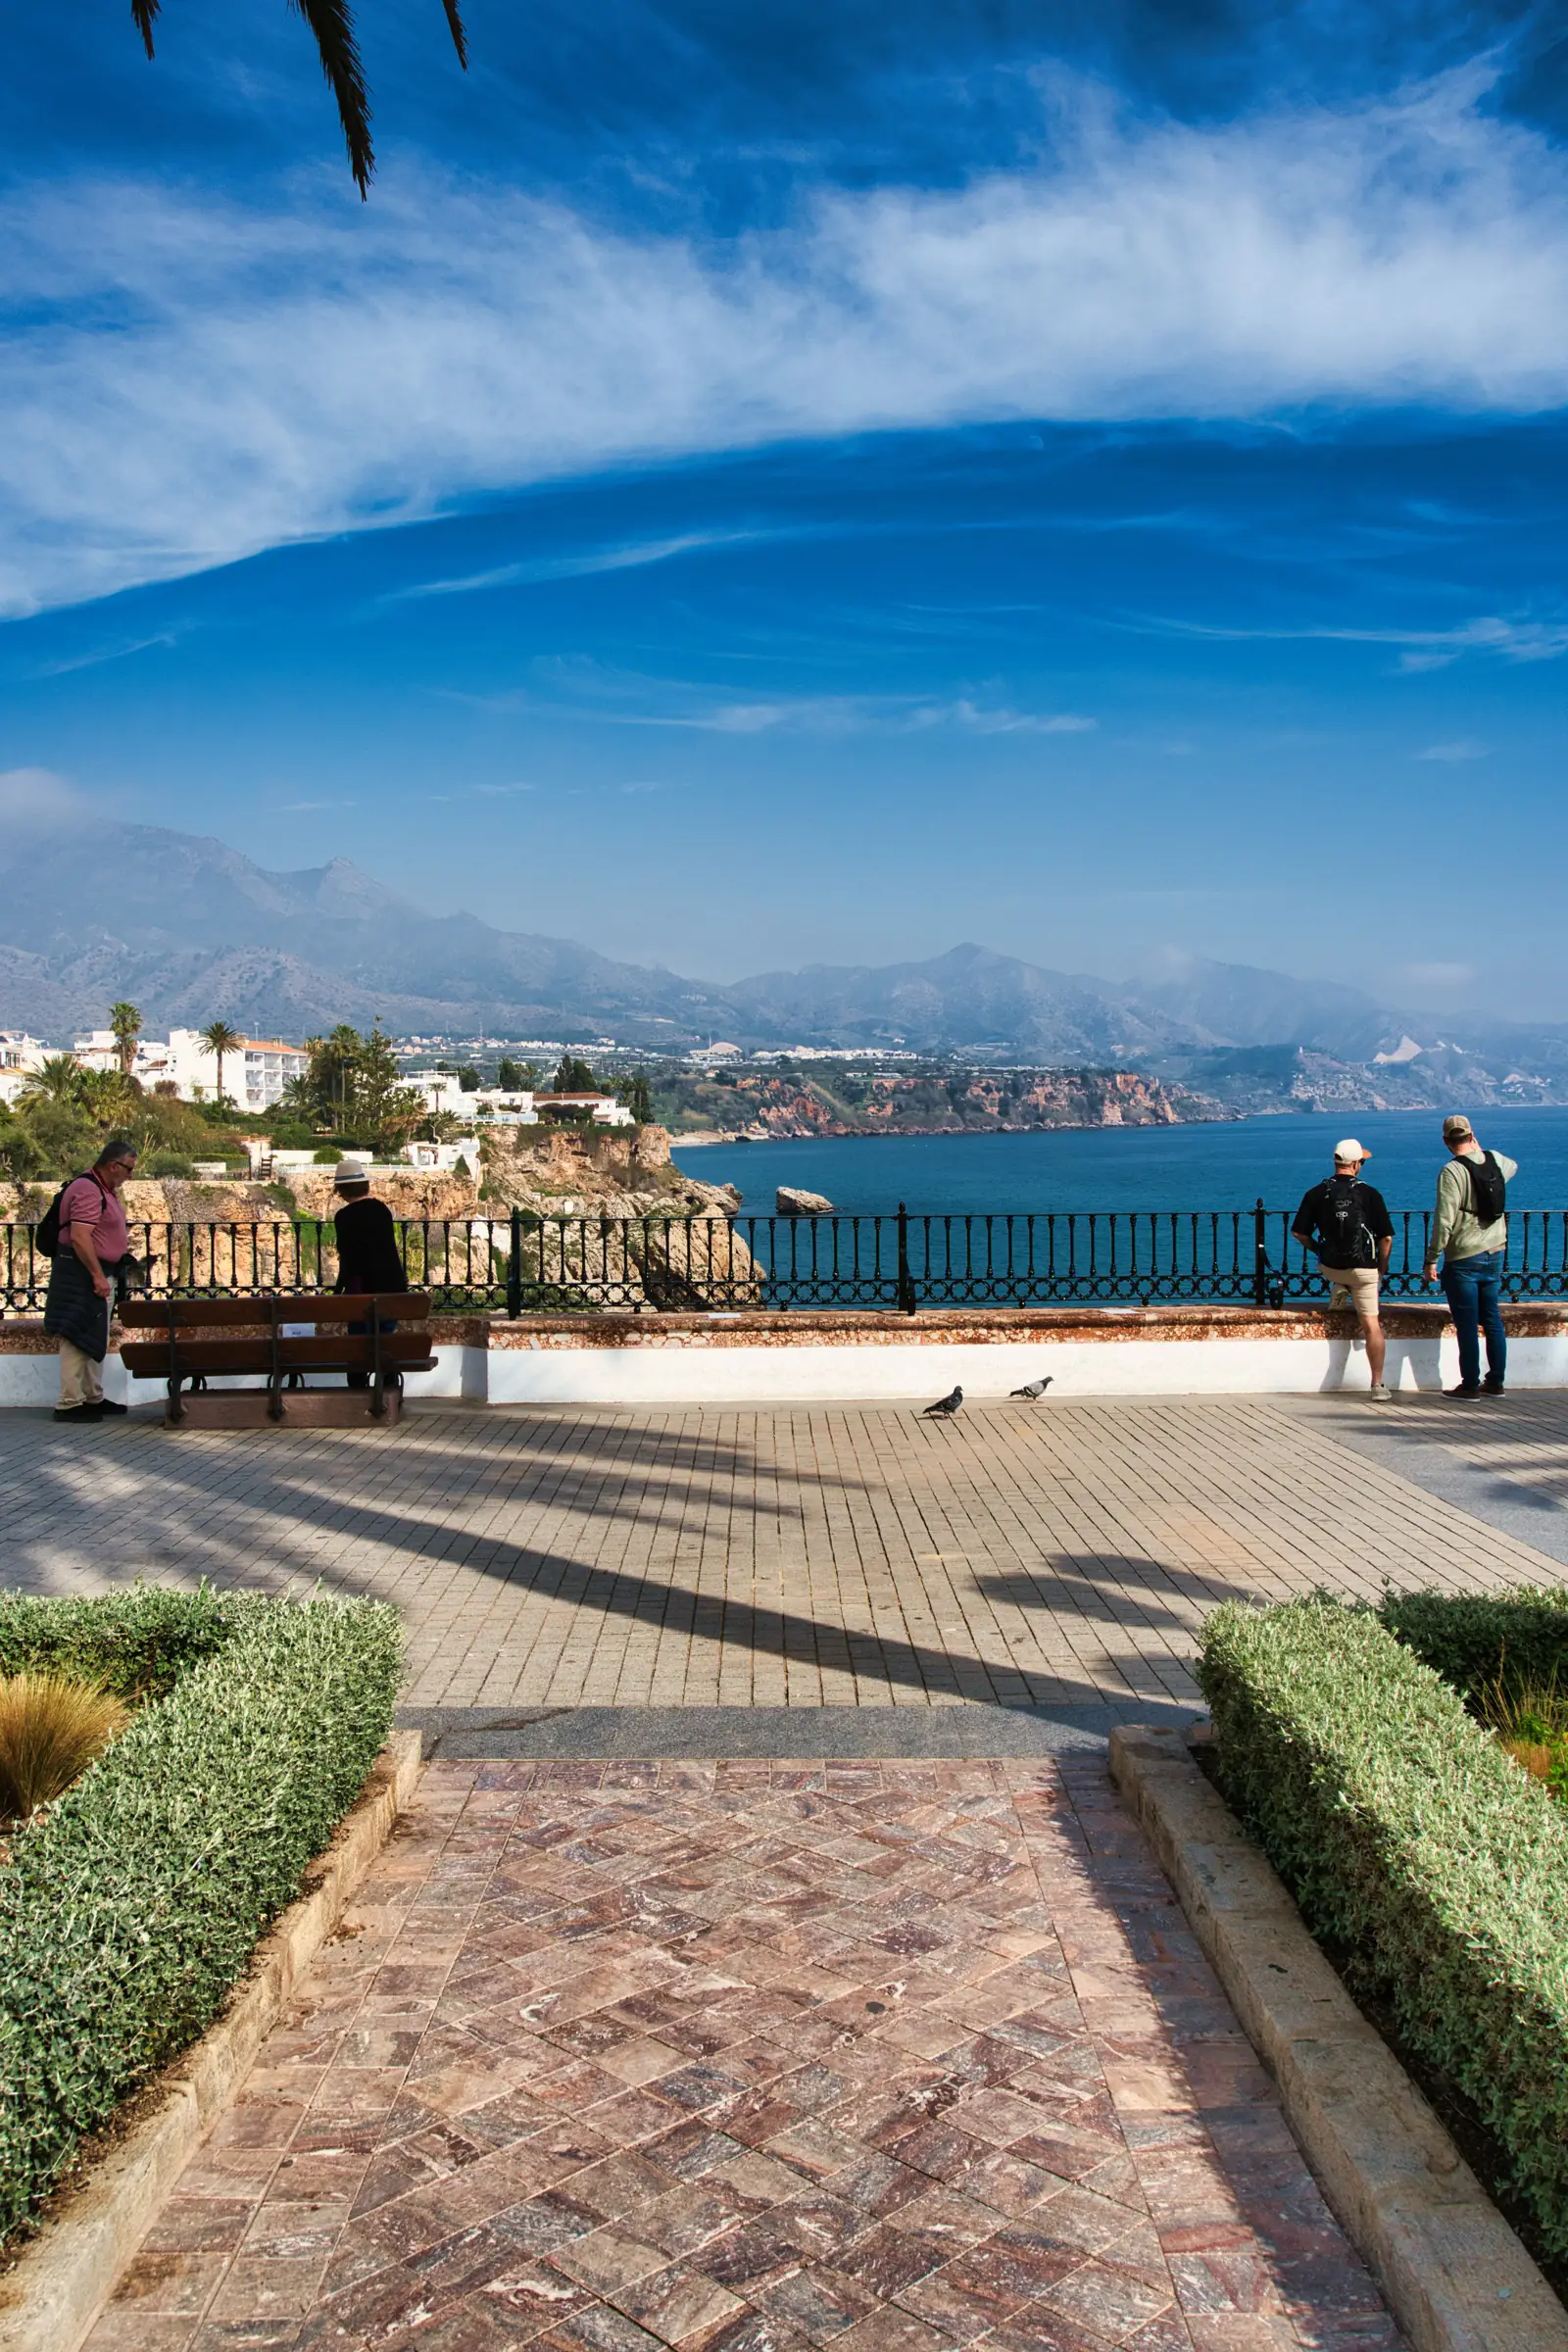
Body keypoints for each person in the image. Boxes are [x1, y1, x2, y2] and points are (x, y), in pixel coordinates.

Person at [42, 1136, 138, 1423]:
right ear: (113, 1165)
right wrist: (97, 1275)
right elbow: (80, 1237)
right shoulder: (87, 1189)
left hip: (97, 1271)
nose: (130, 1175)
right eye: (129, 1169)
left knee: (94, 1334)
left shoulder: (103, 1188)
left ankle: (92, 1396)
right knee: (75, 1333)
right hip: (81, 1273)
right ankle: (69, 1403)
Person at [1292, 1139, 1395, 1401]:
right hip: (1364, 1272)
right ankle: (1378, 1384)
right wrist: (1381, 1270)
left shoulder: (1316, 1193)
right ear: (1356, 1164)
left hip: (1330, 1268)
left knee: (1340, 1275)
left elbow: (1299, 1233)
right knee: (1371, 1325)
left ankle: (1340, 1288)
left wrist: (1319, 1250)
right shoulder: (1370, 1194)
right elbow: (1386, 1238)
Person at [1422, 1114, 1516, 1399]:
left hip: (1464, 1255)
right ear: (1472, 1135)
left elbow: (1444, 1219)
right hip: (1494, 1251)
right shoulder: (1494, 1159)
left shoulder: (1452, 1171)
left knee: (1466, 1323)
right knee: (1492, 1319)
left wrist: (1432, 1258)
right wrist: (1480, 1150)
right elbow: (1512, 1167)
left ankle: (1470, 1385)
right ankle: (1496, 1382)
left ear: (1445, 1141)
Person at [331, 1158, 408, 1388]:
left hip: (362, 1289)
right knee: (384, 1340)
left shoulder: (344, 1217)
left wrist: (339, 1289)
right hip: (391, 1287)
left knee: (359, 1343)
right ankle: (389, 1389)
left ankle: (358, 1391)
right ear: (364, 1185)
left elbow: (349, 1257)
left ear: (342, 1190)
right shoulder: (382, 1210)